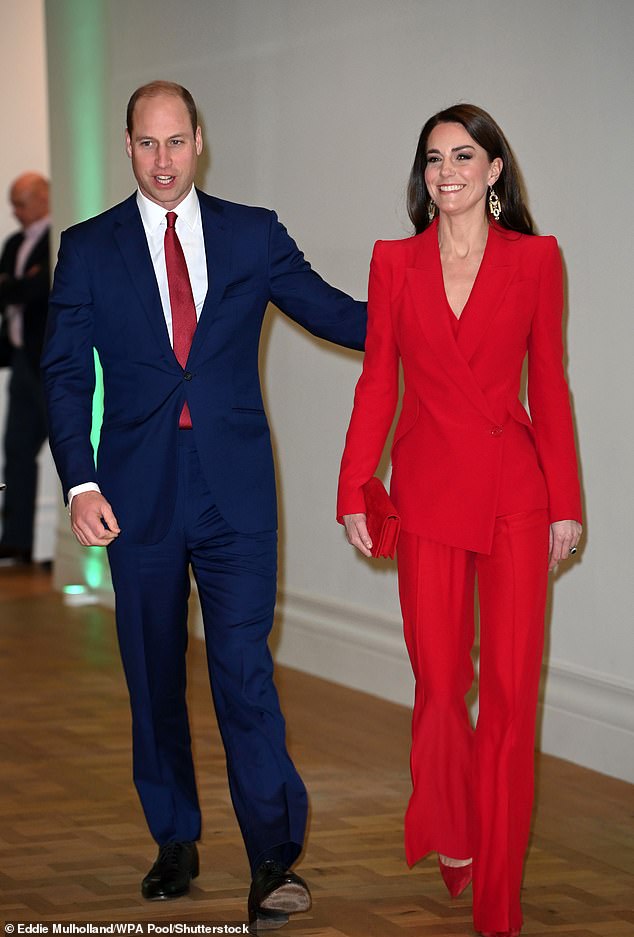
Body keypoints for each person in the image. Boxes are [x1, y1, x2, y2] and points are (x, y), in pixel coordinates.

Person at [42, 81, 366, 929]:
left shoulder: (252, 233)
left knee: (243, 671)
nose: (163, 161)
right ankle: (176, 837)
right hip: (134, 495)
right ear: (127, 147)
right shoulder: (87, 248)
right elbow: (66, 372)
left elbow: (333, 312)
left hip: (235, 491)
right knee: (154, 678)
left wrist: (437, 303)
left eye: (176, 142)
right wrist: (79, 482)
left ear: (200, 141)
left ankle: (270, 855)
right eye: (147, 145)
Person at [337, 104, 582, 937]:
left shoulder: (536, 260)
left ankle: (498, 901)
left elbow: (548, 384)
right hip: (429, 496)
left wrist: (568, 503)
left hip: (517, 496)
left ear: (494, 171)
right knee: (441, 686)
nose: (448, 171)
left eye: (464, 156)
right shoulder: (393, 262)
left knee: (512, 699)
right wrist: (353, 484)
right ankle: (450, 820)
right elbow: (378, 381)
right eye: (435, 158)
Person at [0, 173, 50, 563]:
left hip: (49, 360)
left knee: (72, 445)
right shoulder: (14, 243)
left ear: (43, 197)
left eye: (20, 201)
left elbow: (40, 291)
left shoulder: (58, 237)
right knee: (15, 450)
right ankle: (16, 541)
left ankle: (84, 531)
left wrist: (17, 285)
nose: (15, 211)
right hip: (19, 359)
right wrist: (20, 284)